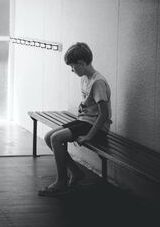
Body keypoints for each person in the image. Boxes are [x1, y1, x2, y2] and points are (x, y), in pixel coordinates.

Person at [38, 42, 112, 196]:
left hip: (95, 127)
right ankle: (75, 172)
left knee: (56, 139)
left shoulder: (97, 82)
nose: (72, 70)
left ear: (82, 63)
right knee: (48, 137)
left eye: (73, 66)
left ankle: (61, 182)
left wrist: (89, 136)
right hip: (84, 121)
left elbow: (103, 114)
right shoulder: (85, 78)